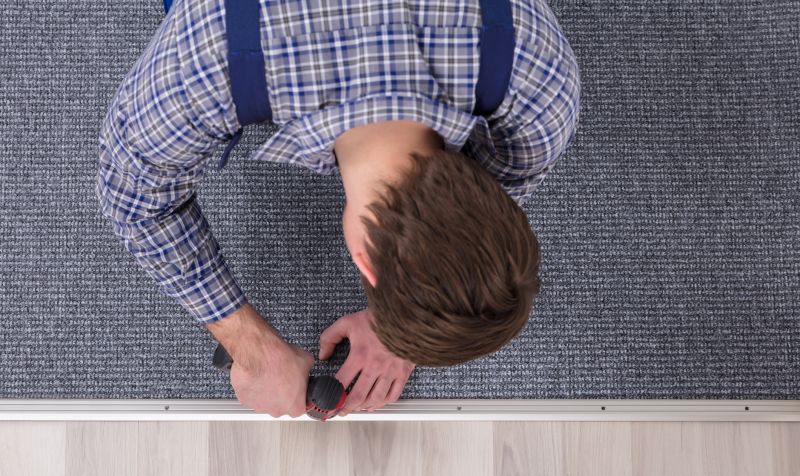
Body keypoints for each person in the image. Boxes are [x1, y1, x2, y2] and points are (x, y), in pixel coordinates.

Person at [96, 0, 581, 417]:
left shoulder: (539, 75)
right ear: (365, 265)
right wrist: (250, 346)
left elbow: (508, 179)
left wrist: (413, 322)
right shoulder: (208, 66)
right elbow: (132, 197)